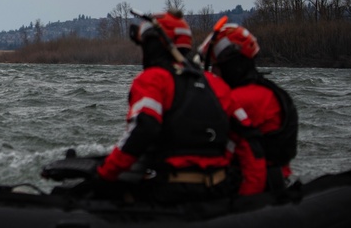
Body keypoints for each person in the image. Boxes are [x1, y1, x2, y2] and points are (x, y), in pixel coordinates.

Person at [95, 11, 265, 201]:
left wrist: (104, 175)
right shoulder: (216, 84)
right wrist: (249, 198)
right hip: (218, 190)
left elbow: (143, 129)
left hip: (170, 192)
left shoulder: (152, 79)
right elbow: (249, 142)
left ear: (153, 45)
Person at [204, 23, 298, 191]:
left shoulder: (243, 98)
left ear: (232, 65)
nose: (213, 72)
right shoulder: (265, 90)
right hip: (274, 178)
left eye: (216, 66)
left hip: (260, 184)